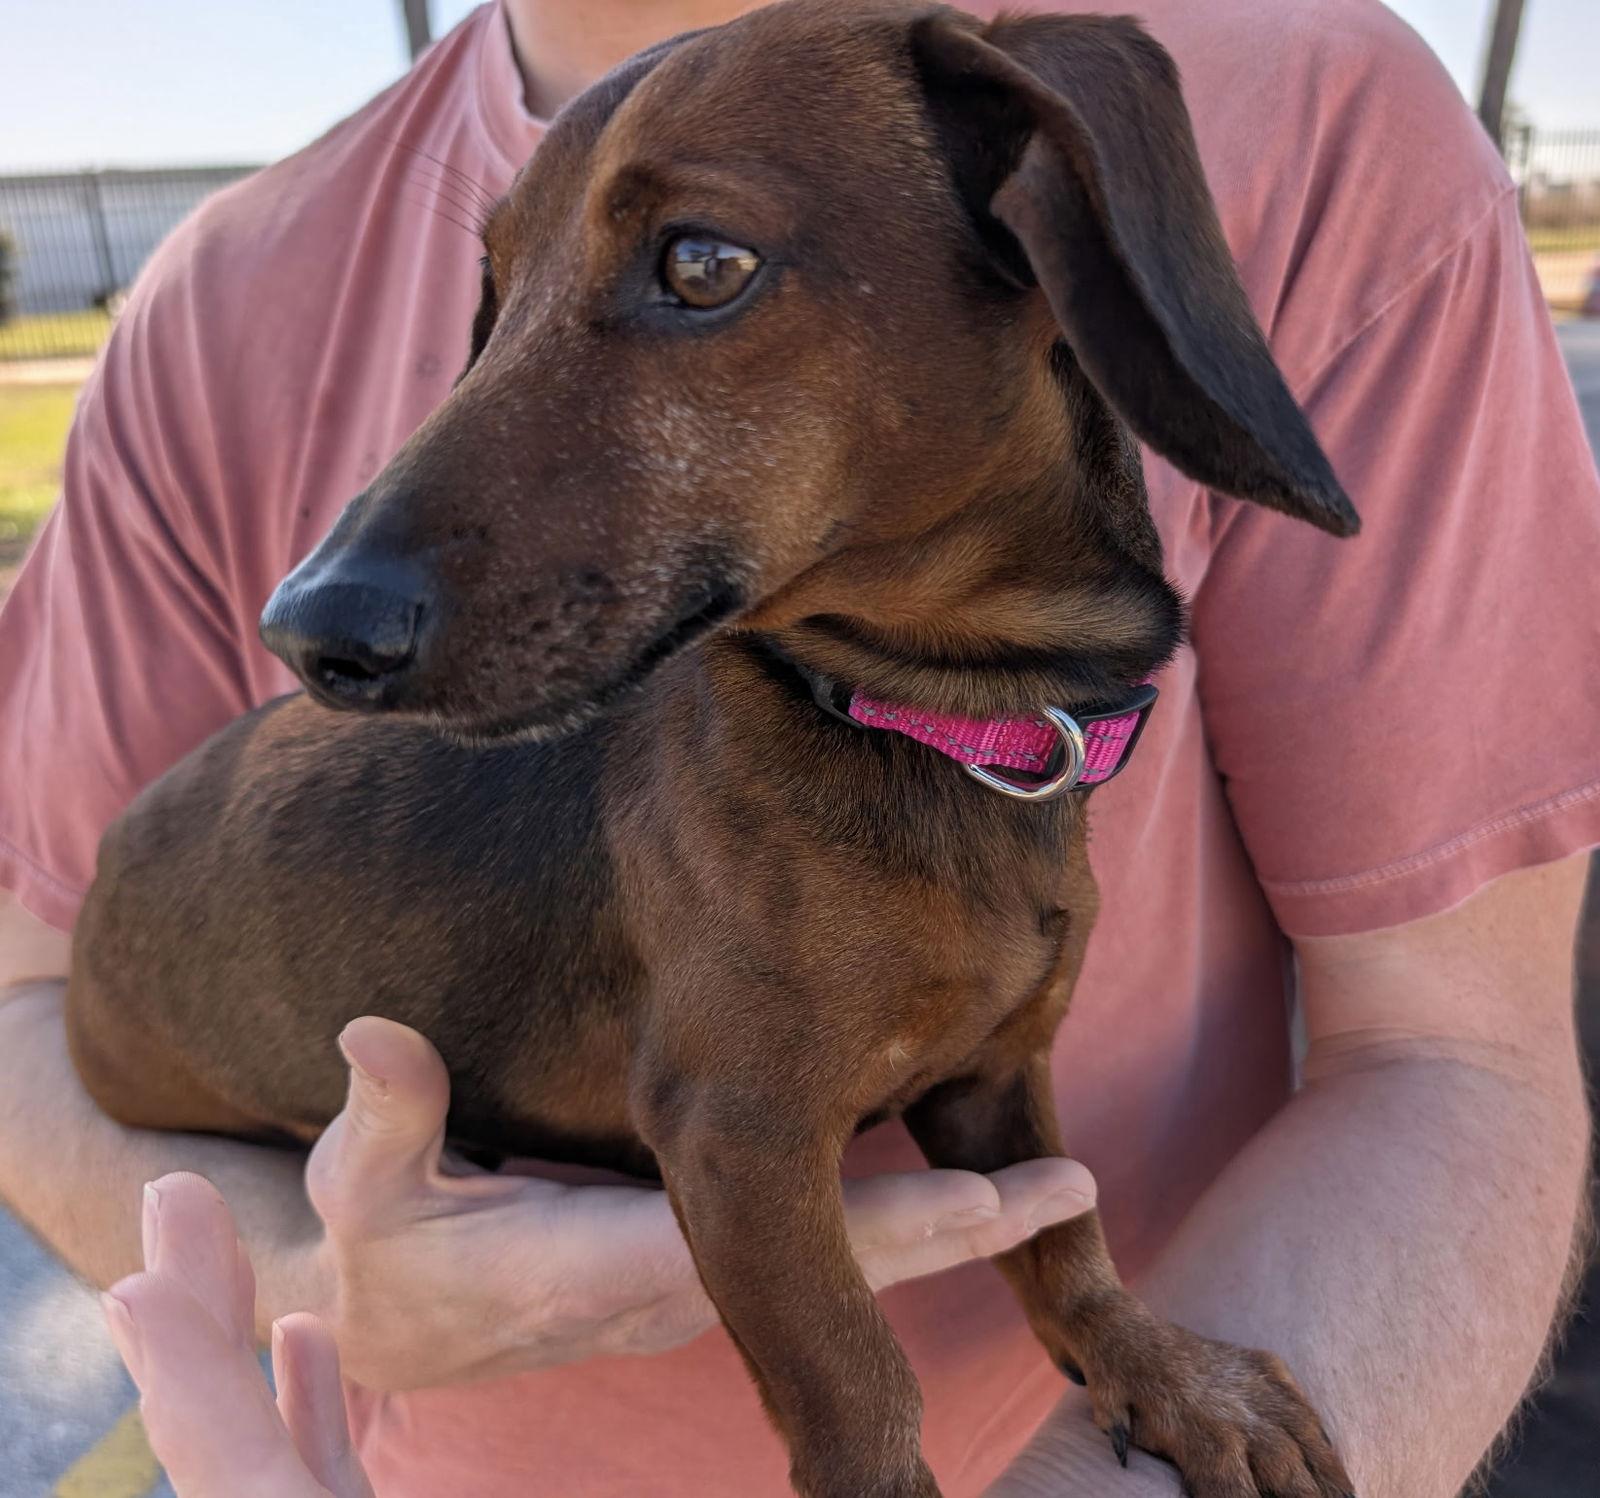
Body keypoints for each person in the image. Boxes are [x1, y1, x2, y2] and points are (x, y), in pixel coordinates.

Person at [3, 0, 1599, 1493]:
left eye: (698, 267)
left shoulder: (1302, 108)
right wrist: (303, 1276)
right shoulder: (212, 294)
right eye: (507, 312)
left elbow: (1454, 1065)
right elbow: (29, 1012)